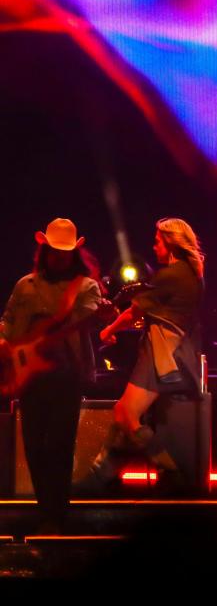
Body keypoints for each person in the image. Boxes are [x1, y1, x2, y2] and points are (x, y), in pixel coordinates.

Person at [0, 218, 106, 532]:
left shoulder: (85, 287)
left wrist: (102, 317)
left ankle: (57, 513)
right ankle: (47, 509)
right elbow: (7, 321)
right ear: (43, 249)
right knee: (33, 444)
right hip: (29, 376)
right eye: (53, 251)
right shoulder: (25, 285)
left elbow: (93, 321)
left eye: (64, 252)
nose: (58, 257)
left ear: (74, 253)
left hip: (66, 374)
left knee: (59, 444)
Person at [84, 218, 204, 491]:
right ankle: (102, 476)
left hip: (161, 354)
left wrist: (108, 330)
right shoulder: (190, 274)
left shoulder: (172, 275)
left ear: (171, 243)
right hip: (170, 352)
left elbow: (135, 311)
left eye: (158, 241)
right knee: (123, 413)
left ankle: (171, 472)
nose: (154, 246)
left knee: (126, 414)